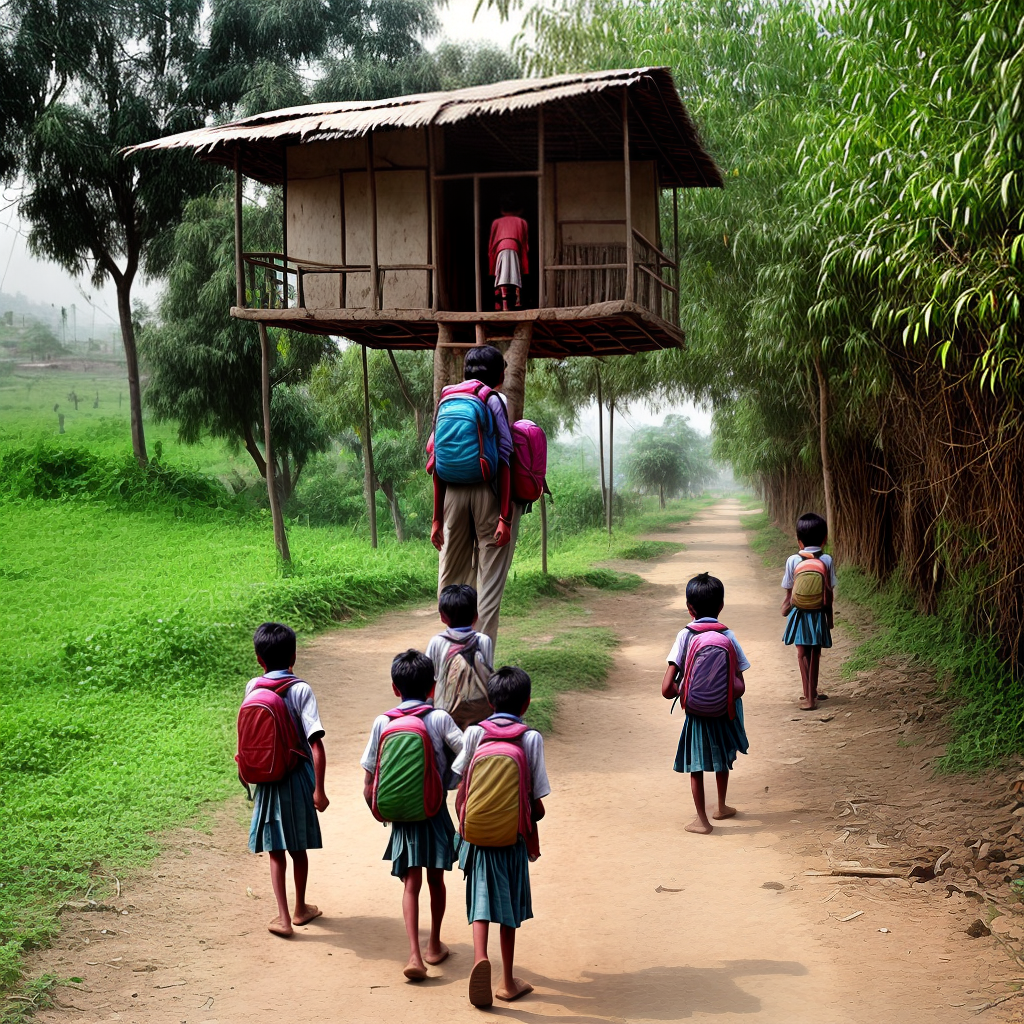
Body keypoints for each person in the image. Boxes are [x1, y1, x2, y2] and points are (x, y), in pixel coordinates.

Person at [361, 649, 464, 980]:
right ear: (433, 687)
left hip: (403, 817)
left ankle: (414, 955)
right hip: (434, 812)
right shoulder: (439, 718)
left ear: (394, 687)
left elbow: (369, 777)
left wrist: (380, 810)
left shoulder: (383, 721)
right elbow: (468, 751)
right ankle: (434, 944)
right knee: (436, 879)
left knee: (410, 884)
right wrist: (450, 780)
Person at [453, 666, 549, 1008]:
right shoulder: (530, 738)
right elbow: (536, 798)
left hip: (477, 836)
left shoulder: (475, 732)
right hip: (512, 838)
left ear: (490, 702)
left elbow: (462, 780)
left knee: (481, 902)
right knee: (508, 910)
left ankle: (480, 956)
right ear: (526, 704)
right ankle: (507, 982)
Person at [431, 345, 520, 647]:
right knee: (489, 583)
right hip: (488, 492)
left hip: (451, 495)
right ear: (497, 374)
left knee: (450, 580)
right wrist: (505, 517)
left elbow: (436, 459)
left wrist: (436, 519)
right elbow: (505, 457)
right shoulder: (495, 399)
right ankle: (480, 662)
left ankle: (448, 652)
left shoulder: (448, 396)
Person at [246, 622, 329, 937]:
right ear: (294, 655)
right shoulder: (300, 689)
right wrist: (319, 790)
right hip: (296, 776)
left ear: (258, 657)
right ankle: (300, 909)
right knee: (298, 848)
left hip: (266, 777)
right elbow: (316, 744)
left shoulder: (253, 686)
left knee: (274, 849)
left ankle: (281, 917)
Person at [661, 573, 750, 835]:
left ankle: (702, 821)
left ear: (689, 608)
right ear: (721, 606)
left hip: (697, 715)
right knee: (722, 758)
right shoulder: (728, 636)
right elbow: (739, 681)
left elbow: (667, 688)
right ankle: (721, 806)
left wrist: (687, 690)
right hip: (724, 711)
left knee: (696, 766)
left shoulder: (685, 636)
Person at [781, 511, 837, 711]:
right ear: (824, 539)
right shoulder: (827, 560)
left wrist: (786, 607)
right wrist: (829, 618)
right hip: (819, 613)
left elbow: (789, 590)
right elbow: (829, 592)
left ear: (799, 542)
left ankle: (809, 697)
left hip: (799, 614)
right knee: (815, 652)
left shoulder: (792, 560)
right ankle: (812, 692)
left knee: (801, 653)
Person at [426, 583, 494, 729]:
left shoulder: (437, 642)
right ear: (476, 616)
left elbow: (429, 679)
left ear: (442, 617)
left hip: (444, 714)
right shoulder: (484, 641)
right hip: (479, 714)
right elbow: (487, 678)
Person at [488, 198, 529, 311]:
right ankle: (517, 301)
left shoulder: (496, 222)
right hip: (516, 248)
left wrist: (491, 254)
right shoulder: (522, 222)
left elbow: (492, 241)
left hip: (500, 248)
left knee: (501, 274)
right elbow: (525, 242)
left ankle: (503, 304)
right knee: (515, 274)